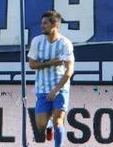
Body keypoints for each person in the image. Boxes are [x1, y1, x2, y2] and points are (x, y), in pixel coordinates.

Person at [27, 10, 74, 147]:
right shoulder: (37, 41)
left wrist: (56, 90)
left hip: (60, 88)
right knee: (40, 125)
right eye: (42, 23)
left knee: (58, 120)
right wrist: (50, 63)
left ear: (55, 25)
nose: (42, 26)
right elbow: (32, 64)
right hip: (42, 88)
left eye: (45, 23)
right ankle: (48, 127)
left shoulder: (65, 43)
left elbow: (69, 70)